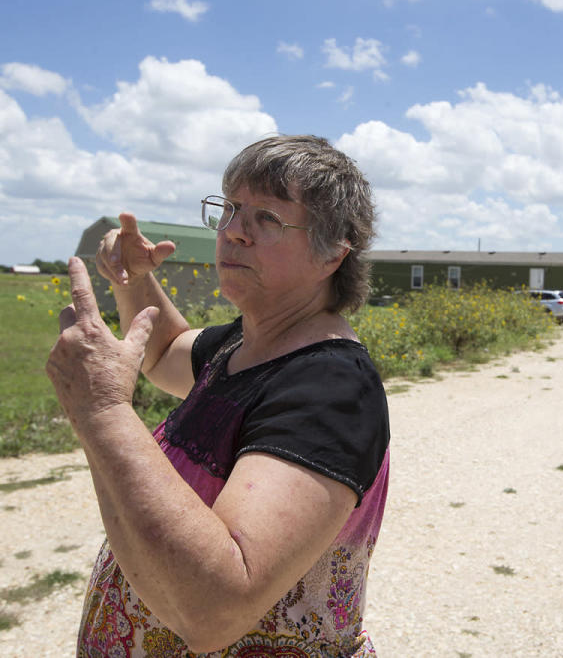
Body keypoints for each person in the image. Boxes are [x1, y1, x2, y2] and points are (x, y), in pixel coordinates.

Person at [46, 135, 390, 656]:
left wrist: (102, 411)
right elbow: (163, 355)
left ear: (332, 255)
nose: (233, 232)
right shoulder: (245, 342)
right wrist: (133, 279)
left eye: (267, 219)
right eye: (230, 209)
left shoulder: (331, 389)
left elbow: (215, 610)